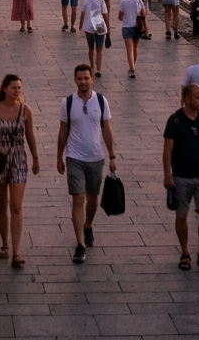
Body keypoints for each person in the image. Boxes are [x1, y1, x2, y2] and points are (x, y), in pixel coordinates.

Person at [0, 74, 40, 267]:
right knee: (1, 204)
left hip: (18, 159)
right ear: (5, 89)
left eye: (19, 87)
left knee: (16, 206)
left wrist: (36, 157)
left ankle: (17, 252)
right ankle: (5, 244)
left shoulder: (26, 111)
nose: (17, 91)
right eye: (13, 88)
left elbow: (30, 136)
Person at [57, 64, 117, 264]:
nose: (83, 82)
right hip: (74, 157)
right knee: (78, 199)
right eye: (79, 78)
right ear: (75, 80)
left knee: (93, 198)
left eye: (86, 78)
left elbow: (106, 129)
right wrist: (59, 157)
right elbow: (63, 132)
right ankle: (80, 244)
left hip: (95, 157)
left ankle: (88, 225)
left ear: (92, 79)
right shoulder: (67, 103)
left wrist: (112, 156)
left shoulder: (101, 101)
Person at [163, 84, 199, 275]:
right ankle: (185, 252)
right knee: (182, 215)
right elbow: (167, 150)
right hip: (181, 176)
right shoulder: (175, 120)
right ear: (187, 99)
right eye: (198, 97)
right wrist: (167, 174)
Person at [118, 0, 147, 78]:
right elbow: (143, 15)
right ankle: (133, 65)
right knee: (135, 48)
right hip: (137, 27)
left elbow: (120, 17)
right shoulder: (139, 2)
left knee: (129, 50)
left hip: (127, 27)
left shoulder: (123, 2)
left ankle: (132, 69)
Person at [80, 0, 109, 77]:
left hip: (88, 27)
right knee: (99, 49)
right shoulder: (102, 2)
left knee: (91, 48)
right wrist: (108, 27)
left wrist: (81, 25)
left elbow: (83, 13)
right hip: (100, 26)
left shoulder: (87, 1)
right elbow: (105, 15)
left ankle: (92, 66)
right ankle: (98, 69)